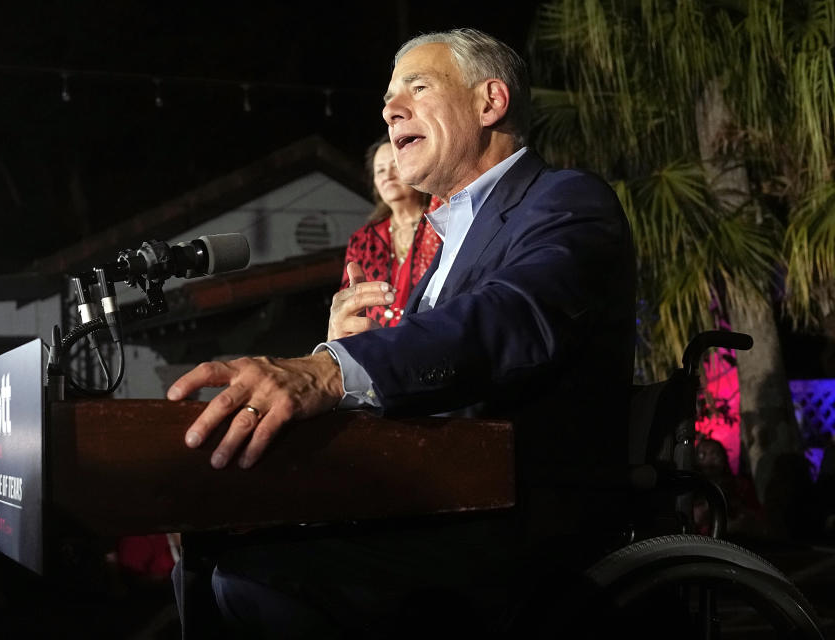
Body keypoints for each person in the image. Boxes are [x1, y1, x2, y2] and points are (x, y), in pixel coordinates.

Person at [168, 27, 635, 637]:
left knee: (252, 576)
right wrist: (347, 347)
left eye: (417, 88)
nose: (390, 109)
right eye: (389, 97)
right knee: (204, 547)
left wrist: (332, 370)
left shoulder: (566, 200)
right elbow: (416, 378)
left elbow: (510, 317)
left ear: (490, 102)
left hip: (523, 518)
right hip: (426, 495)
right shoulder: (441, 247)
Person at [334, 135, 442, 333]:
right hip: (375, 346)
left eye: (395, 165)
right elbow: (347, 302)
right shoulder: (362, 239)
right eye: (380, 170)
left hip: (430, 339)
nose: (387, 175)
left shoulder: (440, 221)